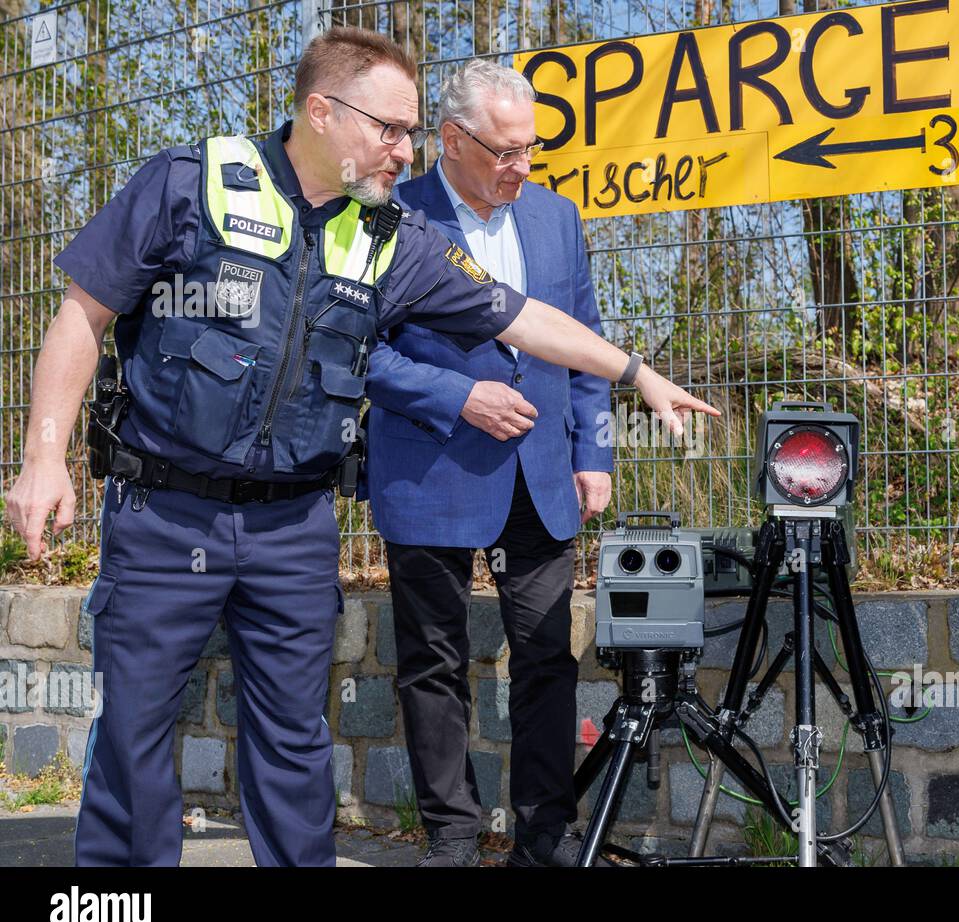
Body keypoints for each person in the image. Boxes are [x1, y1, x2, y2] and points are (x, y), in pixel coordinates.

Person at [3, 26, 717, 867]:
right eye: (390, 129)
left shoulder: (389, 237)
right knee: (132, 737)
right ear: (320, 112)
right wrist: (43, 455)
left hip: (293, 528)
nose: (404, 149)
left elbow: (522, 316)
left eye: (411, 131)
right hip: (167, 517)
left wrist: (636, 371)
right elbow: (82, 316)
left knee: (297, 749)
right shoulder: (186, 185)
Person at [364, 60, 612, 867]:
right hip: (427, 469)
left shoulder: (557, 218)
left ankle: (546, 831)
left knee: (546, 656)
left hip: (540, 479)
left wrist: (594, 451)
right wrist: (454, 397)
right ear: (451, 140)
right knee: (432, 663)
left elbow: (585, 344)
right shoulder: (387, 214)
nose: (523, 165)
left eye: (531, 147)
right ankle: (453, 835)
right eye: (506, 151)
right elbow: (358, 351)